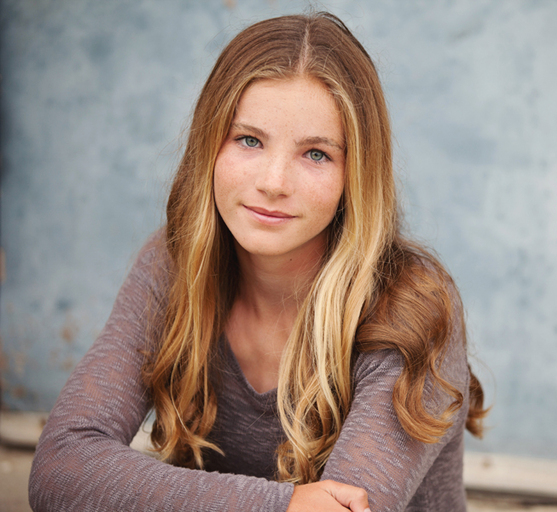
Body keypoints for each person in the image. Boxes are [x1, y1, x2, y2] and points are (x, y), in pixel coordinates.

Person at [28, 11, 486, 512]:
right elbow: (60, 467)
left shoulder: (412, 309)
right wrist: (283, 505)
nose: (273, 182)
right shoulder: (175, 265)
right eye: (249, 139)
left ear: (356, 174)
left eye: (316, 154)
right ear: (210, 146)